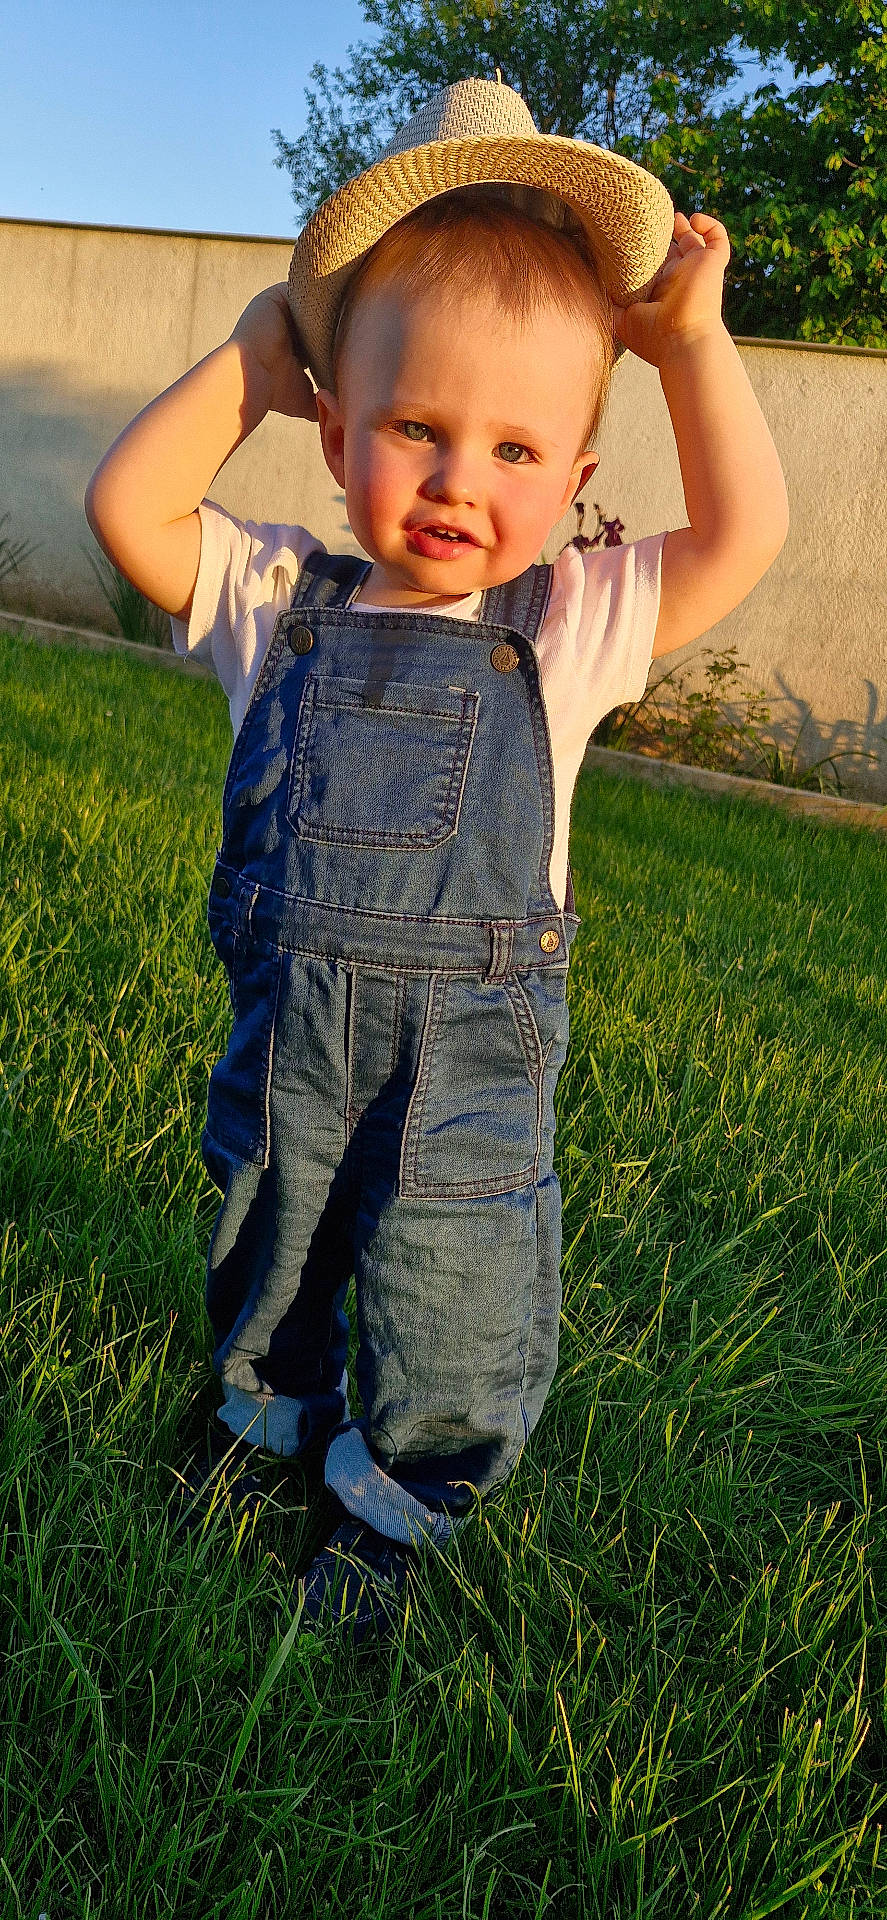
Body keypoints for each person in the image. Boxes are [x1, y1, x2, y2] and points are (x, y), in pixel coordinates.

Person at [85, 78, 788, 1640]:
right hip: (296, 1036)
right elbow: (128, 507)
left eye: (516, 447)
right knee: (274, 1229)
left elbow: (743, 533)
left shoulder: (575, 623)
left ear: (575, 482)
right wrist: (244, 364)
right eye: (415, 428)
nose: (463, 479)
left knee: (455, 1279)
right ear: (337, 429)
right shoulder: (275, 596)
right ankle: (263, 1424)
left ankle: (402, 1504)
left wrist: (692, 349)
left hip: (475, 1055)